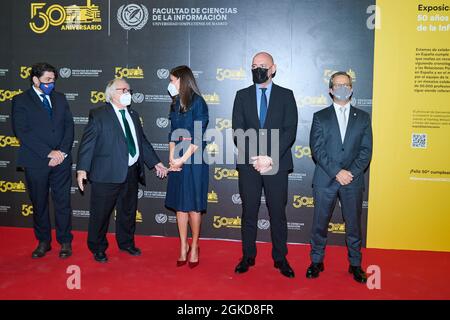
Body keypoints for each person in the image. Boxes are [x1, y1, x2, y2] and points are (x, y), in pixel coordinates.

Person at [76, 78, 168, 263]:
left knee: (128, 211)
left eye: (129, 90)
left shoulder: (133, 115)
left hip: (131, 172)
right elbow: (88, 144)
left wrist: (155, 162)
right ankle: (98, 247)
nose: (127, 93)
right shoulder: (99, 114)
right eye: (122, 89)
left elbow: (141, 141)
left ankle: (126, 243)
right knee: (100, 214)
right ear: (111, 93)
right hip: (106, 174)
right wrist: (82, 169)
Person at [232, 52, 298, 278]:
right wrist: (256, 158)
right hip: (249, 164)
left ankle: (280, 258)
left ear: (273, 68)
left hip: (276, 163)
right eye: (253, 65)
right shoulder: (241, 96)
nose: (257, 69)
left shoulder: (286, 95)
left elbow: (290, 130)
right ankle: (247, 256)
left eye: (262, 65)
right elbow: (238, 132)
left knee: (277, 212)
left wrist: (269, 157)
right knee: (248, 211)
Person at [307, 71, 373, 283]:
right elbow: (317, 149)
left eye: (346, 84)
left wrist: (350, 173)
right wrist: (337, 172)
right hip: (326, 179)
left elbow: (366, 151)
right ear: (330, 89)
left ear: (352, 88)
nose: (342, 88)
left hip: (352, 181)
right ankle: (316, 261)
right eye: (338, 85)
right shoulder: (320, 117)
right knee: (319, 224)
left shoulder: (363, 118)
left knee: (354, 225)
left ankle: (355, 264)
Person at [11, 62, 74, 259]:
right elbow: (22, 131)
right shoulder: (20, 100)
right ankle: (43, 241)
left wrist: (61, 152)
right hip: (36, 160)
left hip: (62, 160)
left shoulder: (61, 98)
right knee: (39, 203)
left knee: (63, 202)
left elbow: (68, 127)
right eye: (47, 80)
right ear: (35, 80)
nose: (51, 84)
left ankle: (65, 241)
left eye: (53, 80)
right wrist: (49, 153)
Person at [165, 65, 209, 269]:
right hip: (178, 157)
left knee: (192, 205)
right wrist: (172, 158)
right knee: (180, 206)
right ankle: (183, 245)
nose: (170, 84)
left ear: (182, 80)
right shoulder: (174, 104)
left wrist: (182, 160)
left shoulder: (199, 103)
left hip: (194, 157)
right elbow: (172, 133)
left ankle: (195, 246)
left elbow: (198, 136)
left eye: (173, 80)